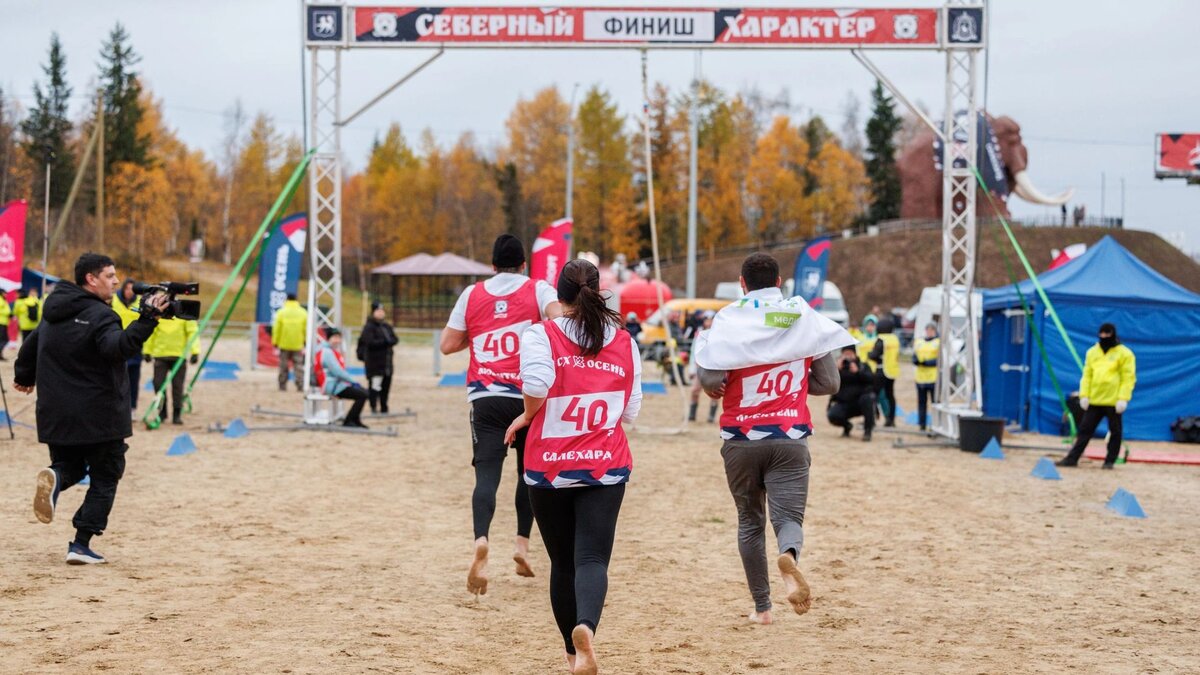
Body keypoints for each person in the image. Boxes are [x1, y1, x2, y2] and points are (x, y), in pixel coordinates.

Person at [694, 253, 852, 625]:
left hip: (740, 437)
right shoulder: (801, 317)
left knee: (750, 522)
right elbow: (830, 383)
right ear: (779, 282)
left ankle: (762, 608)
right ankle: (789, 557)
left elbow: (711, 381)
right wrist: (795, 382)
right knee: (788, 518)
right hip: (789, 435)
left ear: (742, 284)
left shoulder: (730, 319)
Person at [503, 258, 641, 675]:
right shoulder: (624, 341)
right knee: (593, 560)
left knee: (562, 563)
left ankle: (571, 654)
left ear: (557, 294)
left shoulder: (540, 335)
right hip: (605, 465)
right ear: (598, 291)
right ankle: (587, 628)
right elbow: (631, 411)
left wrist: (528, 416)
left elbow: (536, 384)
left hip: (549, 467)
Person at [14, 253, 167, 564]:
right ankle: (81, 544)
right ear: (90, 279)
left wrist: (23, 376)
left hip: (56, 413)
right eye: (109, 276)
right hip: (99, 413)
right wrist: (147, 320)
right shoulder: (101, 316)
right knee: (106, 475)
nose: (114, 281)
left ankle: (55, 477)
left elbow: (29, 346)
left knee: (69, 466)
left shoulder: (53, 311)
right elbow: (117, 349)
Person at [440, 233, 562, 594]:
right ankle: (522, 545)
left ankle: (481, 538)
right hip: (526, 397)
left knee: (487, 475)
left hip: (485, 396)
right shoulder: (538, 289)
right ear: (524, 264)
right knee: (529, 473)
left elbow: (448, 344)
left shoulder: (472, 294)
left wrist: (476, 334)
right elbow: (558, 319)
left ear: (492, 265)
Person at [1057, 323, 1136, 469]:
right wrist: (1084, 395)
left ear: (1113, 334)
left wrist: (1123, 398)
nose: (1104, 337)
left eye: (1107, 334)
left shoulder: (1125, 353)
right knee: (1084, 430)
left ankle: (1109, 461)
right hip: (1095, 399)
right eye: (1102, 334)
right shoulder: (1092, 352)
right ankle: (1072, 458)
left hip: (1113, 400)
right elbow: (1087, 375)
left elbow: (1128, 377)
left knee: (1115, 432)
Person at [143, 315, 200, 426]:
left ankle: (177, 414)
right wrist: (147, 350)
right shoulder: (159, 313)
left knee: (177, 386)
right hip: (160, 355)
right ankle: (162, 412)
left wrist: (195, 351)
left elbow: (192, 332)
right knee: (158, 384)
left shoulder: (183, 314)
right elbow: (152, 332)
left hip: (179, 356)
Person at [315, 327, 369, 429]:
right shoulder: (327, 352)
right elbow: (337, 371)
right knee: (363, 395)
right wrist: (353, 381)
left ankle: (355, 420)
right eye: (335, 337)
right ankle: (350, 420)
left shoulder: (330, 351)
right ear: (328, 339)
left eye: (339, 338)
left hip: (336, 383)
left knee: (363, 393)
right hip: (331, 385)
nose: (337, 340)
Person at [827, 346, 876, 441]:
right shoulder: (838, 367)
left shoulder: (862, 365)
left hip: (860, 402)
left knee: (868, 399)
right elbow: (829, 383)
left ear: (855, 354)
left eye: (850, 353)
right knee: (833, 415)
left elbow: (872, 380)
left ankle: (867, 431)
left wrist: (858, 372)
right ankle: (847, 426)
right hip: (844, 402)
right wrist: (836, 370)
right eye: (845, 354)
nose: (848, 356)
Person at [358, 301, 398, 414]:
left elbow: (394, 339)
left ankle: (384, 406)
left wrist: (388, 342)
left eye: (382, 311)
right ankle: (373, 406)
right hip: (375, 363)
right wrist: (384, 342)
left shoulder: (386, 326)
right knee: (375, 386)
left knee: (386, 387)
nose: (381, 313)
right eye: (378, 311)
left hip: (387, 363)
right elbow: (369, 342)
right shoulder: (369, 327)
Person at [112, 279, 143, 417]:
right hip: (117, 343)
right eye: (128, 289)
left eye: (133, 289)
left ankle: (132, 408)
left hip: (134, 346)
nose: (130, 292)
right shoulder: (113, 300)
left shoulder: (140, 302)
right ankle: (116, 407)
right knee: (116, 378)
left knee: (133, 379)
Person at [868, 317, 901, 427]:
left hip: (881, 370)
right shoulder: (894, 339)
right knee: (890, 395)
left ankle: (871, 419)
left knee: (873, 394)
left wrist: (869, 354)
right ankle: (891, 420)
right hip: (892, 371)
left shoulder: (881, 339)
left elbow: (874, 354)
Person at [272, 293, 308, 392]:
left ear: (287, 299)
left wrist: (275, 341)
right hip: (298, 343)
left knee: (283, 365)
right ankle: (300, 385)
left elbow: (276, 329)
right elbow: (306, 329)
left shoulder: (281, 312)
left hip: (284, 343)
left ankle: (282, 385)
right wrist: (305, 341)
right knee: (298, 366)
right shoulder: (303, 312)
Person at [688, 312, 718, 423]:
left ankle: (711, 416)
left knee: (715, 393)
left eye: (711, 319)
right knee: (695, 390)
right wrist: (692, 369)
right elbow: (693, 353)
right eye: (707, 319)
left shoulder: (719, 333)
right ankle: (692, 414)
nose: (708, 322)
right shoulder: (699, 334)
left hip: (714, 368)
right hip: (700, 367)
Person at [912, 323, 940, 431]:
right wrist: (918, 362)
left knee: (934, 403)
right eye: (927, 330)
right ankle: (922, 424)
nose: (929, 332)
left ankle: (935, 425)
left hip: (933, 377)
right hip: (920, 378)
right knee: (921, 403)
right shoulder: (919, 342)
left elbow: (939, 359)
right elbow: (914, 356)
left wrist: (926, 363)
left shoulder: (937, 342)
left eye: (931, 330)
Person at [0, 292, 10, 360]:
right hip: (1, 322)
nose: (6, 294)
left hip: (4, 322)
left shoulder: (3, 300)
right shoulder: (1, 300)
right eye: (4, 293)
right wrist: (7, 313)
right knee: (4, 339)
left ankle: (0, 354)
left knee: (3, 339)